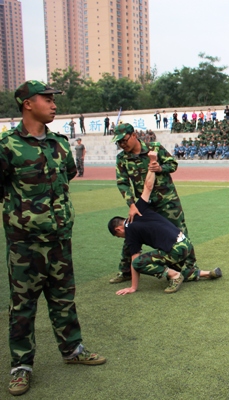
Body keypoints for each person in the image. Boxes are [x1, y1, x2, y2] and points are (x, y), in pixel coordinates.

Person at [1, 80, 106, 396]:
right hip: (25, 244)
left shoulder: (59, 144)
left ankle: (72, 349)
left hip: (59, 238)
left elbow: (67, 175)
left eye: (53, 99)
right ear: (27, 104)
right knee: (23, 306)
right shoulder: (7, 146)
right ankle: (21, 366)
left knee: (63, 298)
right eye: (46, 98)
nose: (53, 103)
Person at [108, 151, 222, 295]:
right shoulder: (139, 210)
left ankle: (174, 276)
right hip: (186, 244)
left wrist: (133, 287)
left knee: (140, 263)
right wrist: (152, 161)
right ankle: (206, 273)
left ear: (118, 229)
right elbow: (148, 186)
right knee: (169, 263)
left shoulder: (129, 230)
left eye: (119, 236)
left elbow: (135, 262)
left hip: (175, 250)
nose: (122, 238)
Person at [111, 123, 195, 284]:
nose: (122, 144)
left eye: (124, 140)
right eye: (119, 142)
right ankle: (126, 271)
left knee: (180, 232)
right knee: (131, 231)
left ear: (134, 135)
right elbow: (122, 183)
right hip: (144, 204)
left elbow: (173, 164)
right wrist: (131, 204)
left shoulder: (154, 148)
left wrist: (160, 168)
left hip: (167, 200)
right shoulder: (122, 158)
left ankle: (190, 268)